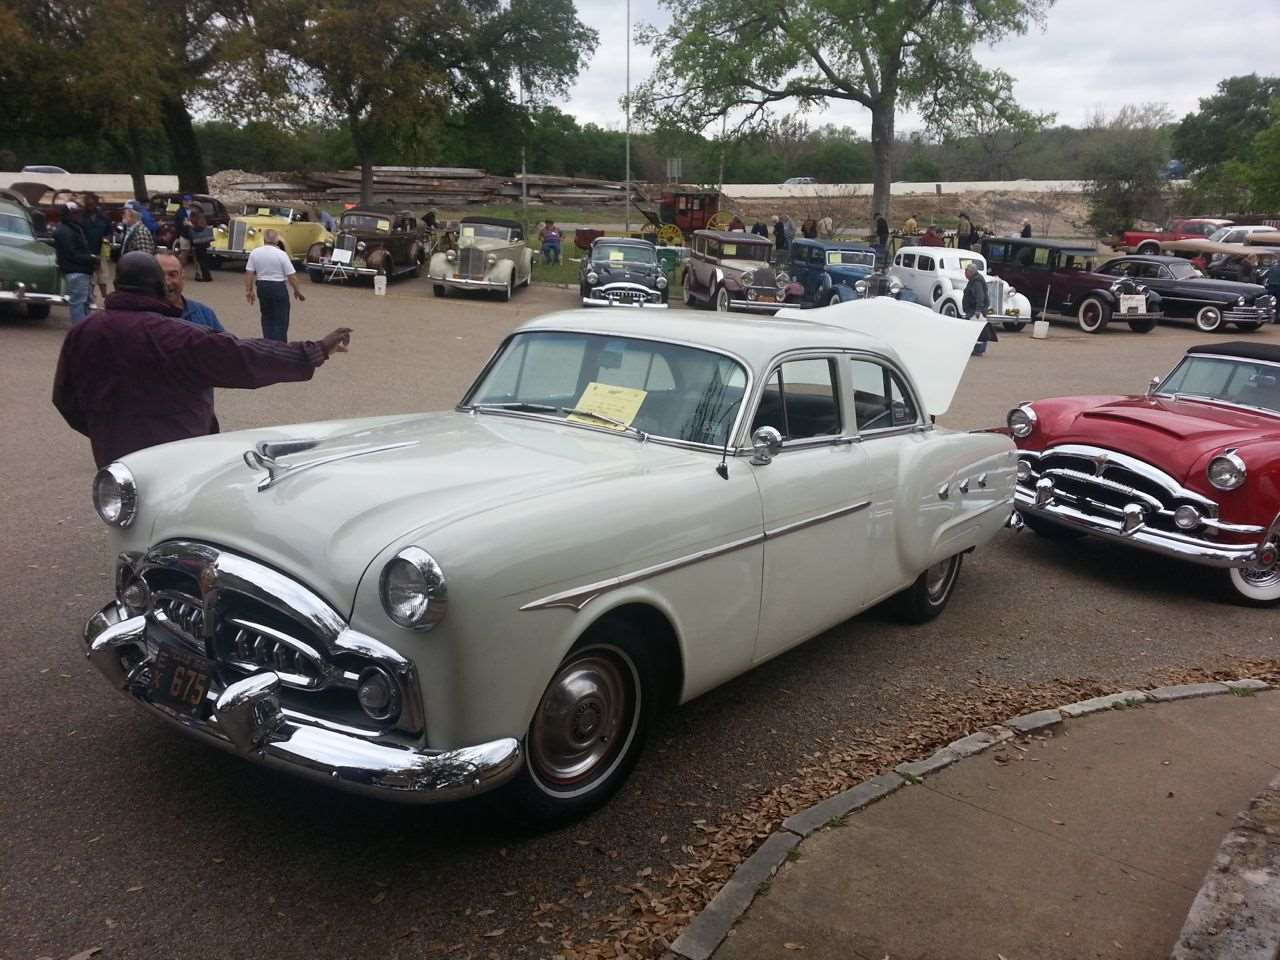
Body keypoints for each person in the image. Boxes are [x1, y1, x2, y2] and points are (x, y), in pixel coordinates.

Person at [52, 252, 352, 468]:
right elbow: (243, 358)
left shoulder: (82, 332)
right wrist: (315, 351)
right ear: (157, 286)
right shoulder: (177, 336)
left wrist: (106, 430)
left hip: (114, 454)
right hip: (177, 451)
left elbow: (65, 398)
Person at [244, 230, 305, 341]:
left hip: (262, 286)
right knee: (281, 319)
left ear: (264, 239)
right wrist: (297, 290)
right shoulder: (281, 254)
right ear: (277, 240)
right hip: (278, 286)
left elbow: (249, 273)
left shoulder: (255, 253)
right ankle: (280, 344)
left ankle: (268, 342)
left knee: (267, 317)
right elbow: (291, 276)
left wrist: (249, 290)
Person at [52, 201, 98, 324]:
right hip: (76, 271)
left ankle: (84, 327)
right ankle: (79, 329)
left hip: (81, 270)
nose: (78, 216)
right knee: (79, 302)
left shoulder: (74, 228)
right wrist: (91, 258)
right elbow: (71, 254)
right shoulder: (65, 231)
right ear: (67, 214)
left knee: (85, 302)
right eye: (75, 213)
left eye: (78, 213)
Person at [157, 252, 223, 332]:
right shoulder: (145, 319)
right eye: (160, 275)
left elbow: (225, 339)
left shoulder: (205, 314)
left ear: (182, 276)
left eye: (172, 275)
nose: (167, 282)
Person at [80, 194, 112, 307]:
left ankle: (106, 300)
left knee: (102, 276)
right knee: (89, 276)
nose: (90, 206)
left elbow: (109, 232)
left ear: (96, 203)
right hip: (86, 251)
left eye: (92, 204)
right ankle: (90, 298)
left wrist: (107, 240)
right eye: (88, 204)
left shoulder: (104, 217)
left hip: (101, 250)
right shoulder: (81, 217)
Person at [962, 261, 997, 356]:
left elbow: (980, 296)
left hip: (976, 311)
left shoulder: (977, 282)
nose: (965, 273)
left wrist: (978, 310)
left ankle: (978, 350)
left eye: (966, 271)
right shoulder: (974, 280)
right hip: (974, 310)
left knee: (977, 330)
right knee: (976, 330)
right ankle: (976, 349)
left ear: (970, 272)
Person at [189, 208, 213, 281]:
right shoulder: (199, 216)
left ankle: (206, 276)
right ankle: (205, 275)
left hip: (200, 242)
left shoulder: (199, 217)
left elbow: (200, 228)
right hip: (200, 242)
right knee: (202, 259)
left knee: (202, 259)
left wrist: (191, 226)